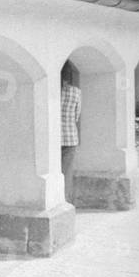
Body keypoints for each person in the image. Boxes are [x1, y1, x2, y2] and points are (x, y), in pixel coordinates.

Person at [60, 62, 82, 204]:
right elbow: (77, 115)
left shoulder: (53, 92)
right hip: (70, 137)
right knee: (67, 172)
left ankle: (56, 200)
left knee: (55, 173)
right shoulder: (76, 92)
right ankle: (67, 201)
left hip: (54, 139)